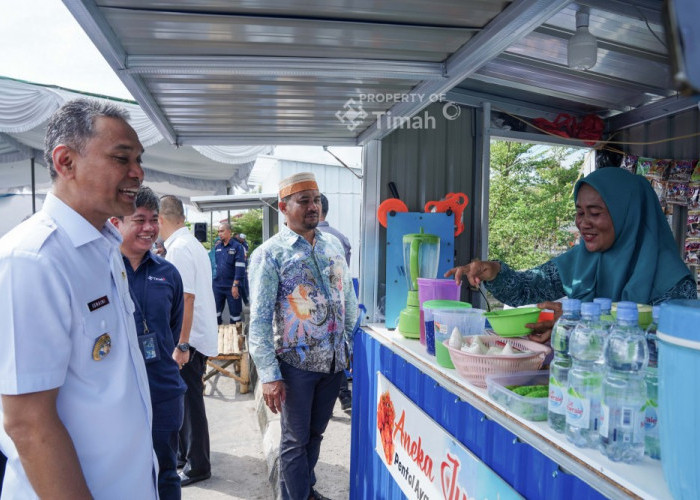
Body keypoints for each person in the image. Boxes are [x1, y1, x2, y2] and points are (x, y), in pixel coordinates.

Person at [0, 99, 157, 498]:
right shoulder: (33, 259)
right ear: (65, 162)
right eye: (122, 158)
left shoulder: (103, 247)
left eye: (139, 159)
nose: (137, 173)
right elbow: (28, 424)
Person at [446, 167, 696, 343]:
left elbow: (665, 348)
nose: (583, 223)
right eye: (579, 212)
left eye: (594, 212)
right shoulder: (583, 259)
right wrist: (494, 272)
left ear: (627, 216)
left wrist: (579, 323)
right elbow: (528, 289)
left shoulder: (674, 283)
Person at [249, 172, 358, 500]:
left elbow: (347, 298)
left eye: (316, 199)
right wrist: (269, 375)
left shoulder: (333, 245)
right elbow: (259, 320)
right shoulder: (270, 254)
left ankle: (305, 491)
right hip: (295, 366)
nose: (314, 206)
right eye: (304, 200)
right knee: (294, 441)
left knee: (316, 435)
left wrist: (349, 343)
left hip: (334, 364)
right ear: (284, 207)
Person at [112, 186, 187, 500]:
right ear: (116, 223)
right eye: (138, 219)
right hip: (117, 394)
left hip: (162, 389)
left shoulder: (168, 273)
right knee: (120, 474)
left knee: (165, 471)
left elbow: (173, 325)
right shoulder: (101, 271)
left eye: (153, 220)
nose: (148, 228)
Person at [159, 195, 218, 487]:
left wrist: (181, 344)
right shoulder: (189, 244)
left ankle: (198, 466)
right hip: (194, 335)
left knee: (191, 403)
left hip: (189, 339)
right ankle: (186, 457)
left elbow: (186, 298)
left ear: (160, 219)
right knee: (186, 400)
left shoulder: (180, 249)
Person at [318, 193, 353, 413]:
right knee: (335, 357)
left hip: (316, 313)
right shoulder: (341, 238)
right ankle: (343, 397)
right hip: (337, 310)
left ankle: (329, 403)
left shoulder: (315, 238)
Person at [212, 222, 246, 324]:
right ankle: (218, 337)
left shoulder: (237, 247)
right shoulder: (218, 248)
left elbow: (240, 268)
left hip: (232, 286)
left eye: (222, 231)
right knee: (215, 314)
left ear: (229, 232)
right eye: (218, 232)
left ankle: (236, 338)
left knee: (235, 316)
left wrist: (235, 285)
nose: (219, 234)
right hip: (217, 286)